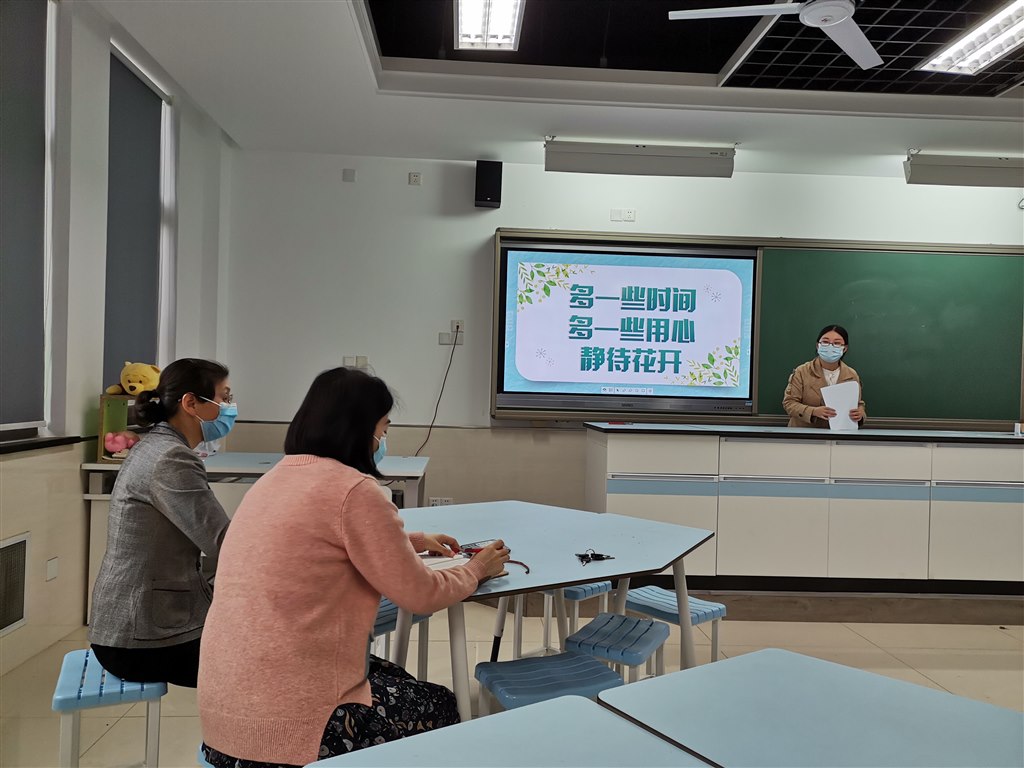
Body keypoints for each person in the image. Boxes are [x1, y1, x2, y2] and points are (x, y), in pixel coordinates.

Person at [198, 367, 509, 768]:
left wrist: (413, 540)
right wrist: (477, 569)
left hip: (224, 722)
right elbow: (421, 594)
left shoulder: (275, 478)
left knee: (392, 677)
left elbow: (319, 542)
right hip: (286, 737)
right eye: (383, 428)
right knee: (441, 704)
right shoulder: (355, 490)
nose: (383, 439)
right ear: (359, 429)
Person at [89, 358, 235, 687]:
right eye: (224, 398)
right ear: (190, 403)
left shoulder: (158, 444)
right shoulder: (171, 457)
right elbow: (222, 541)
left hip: (134, 624)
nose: (228, 408)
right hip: (141, 637)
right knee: (271, 660)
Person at [783, 324, 866, 428]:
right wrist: (813, 411)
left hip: (839, 433)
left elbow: (858, 403)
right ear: (818, 345)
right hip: (804, 433)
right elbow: (789, 403)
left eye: (837, 343)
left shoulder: (851, 374)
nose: (830, 346)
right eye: (825, 342)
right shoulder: (802, 371)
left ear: (845, 348)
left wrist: (860, 413)